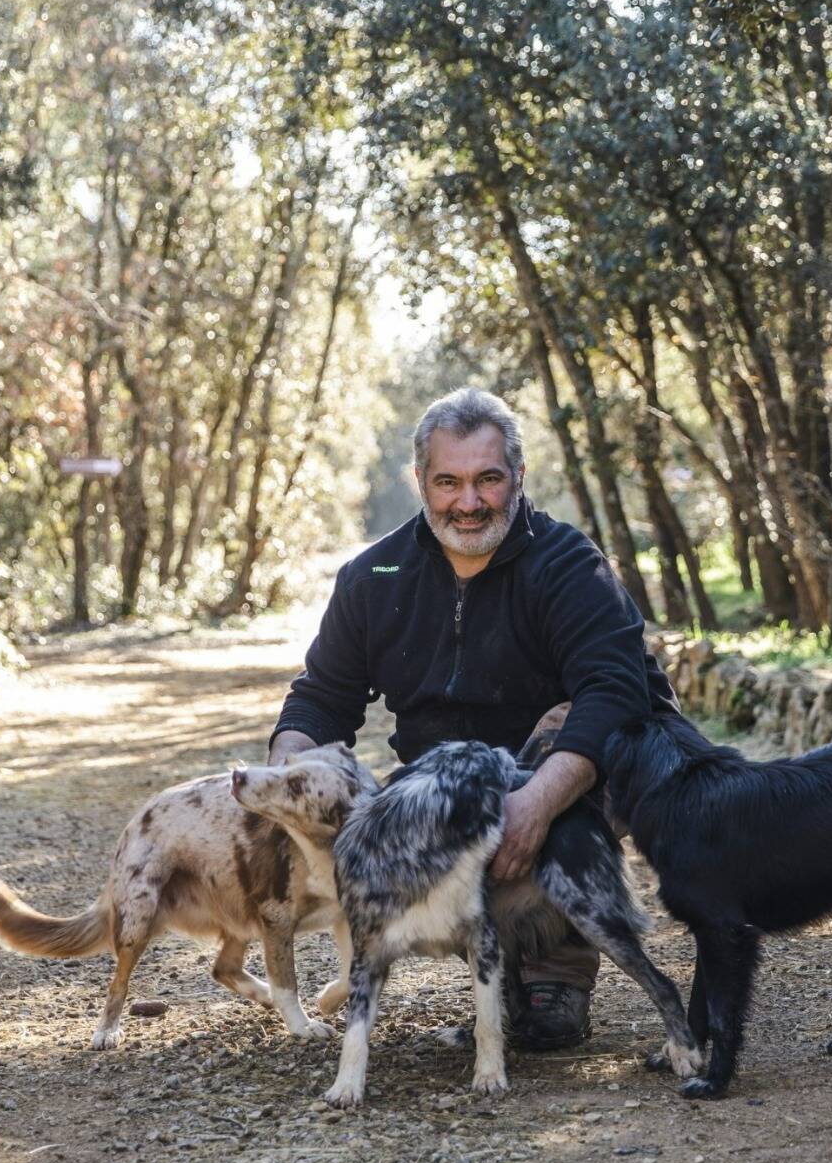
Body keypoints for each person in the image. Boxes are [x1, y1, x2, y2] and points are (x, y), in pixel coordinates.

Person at [268, 387, 678, 1049]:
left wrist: (539, 802)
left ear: (517, 476)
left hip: (573, 775)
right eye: (449, 481)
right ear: (421, 482)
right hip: (457, 783)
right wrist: (283, 774)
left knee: (569, 724)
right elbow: (322, 696)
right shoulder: (373, 575)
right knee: (399, 796)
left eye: (488, 478)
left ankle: (555, 965)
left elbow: (615, 691)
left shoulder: (568, 564)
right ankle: (503, 962)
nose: (469, 501)